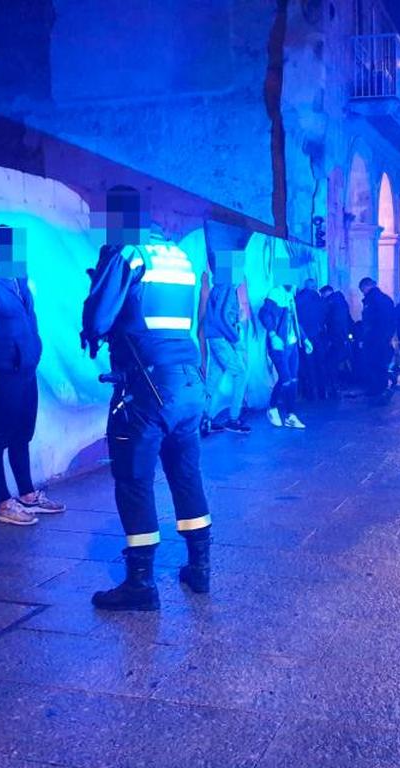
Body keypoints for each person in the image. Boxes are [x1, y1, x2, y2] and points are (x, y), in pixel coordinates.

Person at [82, 185, 212, 611]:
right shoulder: (181, 258)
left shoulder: (129, 254)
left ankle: (140, 584)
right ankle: (200, 570)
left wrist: (100, 280)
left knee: (134, 481)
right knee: (186, 475)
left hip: (147, 390)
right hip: (189, 385)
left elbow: (99, 320)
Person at [0, 227, 64, 526]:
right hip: (1, 373)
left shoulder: (20, 282)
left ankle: (27, 495)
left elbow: (30, 322)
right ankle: (4, 502)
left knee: (23, 433)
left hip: (25, 369)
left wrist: (34, 351)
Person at [201, 275, 250, 435]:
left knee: (213, 378)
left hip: (215, 337)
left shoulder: (219, 286)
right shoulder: (227, 287)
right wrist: (236, 340)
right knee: (241, 373)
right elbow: (221, 317)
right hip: (221, 339)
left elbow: (218, 315)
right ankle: (233, 419)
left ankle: (204, 420)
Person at [259, 283, 310, 428]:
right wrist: (273, 335)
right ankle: (272, 406)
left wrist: (304, 339)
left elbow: (294, 320)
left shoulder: (290, 295)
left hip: (292, 344)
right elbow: (264, 314)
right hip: (279, 346)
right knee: (286, 378)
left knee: (293, 379)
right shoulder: (275, 293)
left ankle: (291, 415)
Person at [359, 277, 396, 400]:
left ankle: (378, 389)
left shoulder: (372, 300)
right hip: (383, 338)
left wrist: (366, 338)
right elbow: (391, 321)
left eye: (362, 290)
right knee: (381, 364)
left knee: (374, 363)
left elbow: (370, 322)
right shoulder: (386, 299)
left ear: (366, 287)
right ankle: (381, 388)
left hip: (374, 339)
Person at [295, 277, 329, 400]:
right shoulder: (318, 299)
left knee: (306, 364)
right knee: (320, 362)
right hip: (317, 335)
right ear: (314, 287)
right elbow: (324, 315)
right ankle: (322, 391)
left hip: (303, 336)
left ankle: (309, 392)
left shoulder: (297, 298)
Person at [322, 284, 351, 397]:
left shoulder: (331, 303)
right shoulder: (341, 301)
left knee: (331, 362)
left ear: (326, 293)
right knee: (338, 361)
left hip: (335, 337)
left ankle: (334, 386)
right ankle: (337, 385)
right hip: (342, 337)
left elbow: (332, 321)